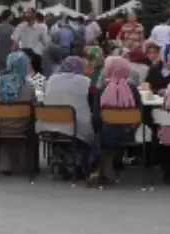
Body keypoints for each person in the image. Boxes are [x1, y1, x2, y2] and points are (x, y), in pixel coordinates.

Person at [39, 56, 95, 179]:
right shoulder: (85, 82)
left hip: (49, 125)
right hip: (75, 127)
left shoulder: (51, 80)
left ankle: (62, 161)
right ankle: (82, 164)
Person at [89, 55, 141, 186]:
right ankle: (107, 169)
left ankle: (99, 169)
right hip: (128, 133)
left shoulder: (102, 90)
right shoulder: (133, 89)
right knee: (110, 132)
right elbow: (139, 114)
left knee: (101, 133)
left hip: (106, 133)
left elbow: (96, 117)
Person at [0, 51, 38, 175]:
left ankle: (3, 164)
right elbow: (35, 107)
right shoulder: (28, 85)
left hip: (0, 127)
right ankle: (26, 164)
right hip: (22, 127)